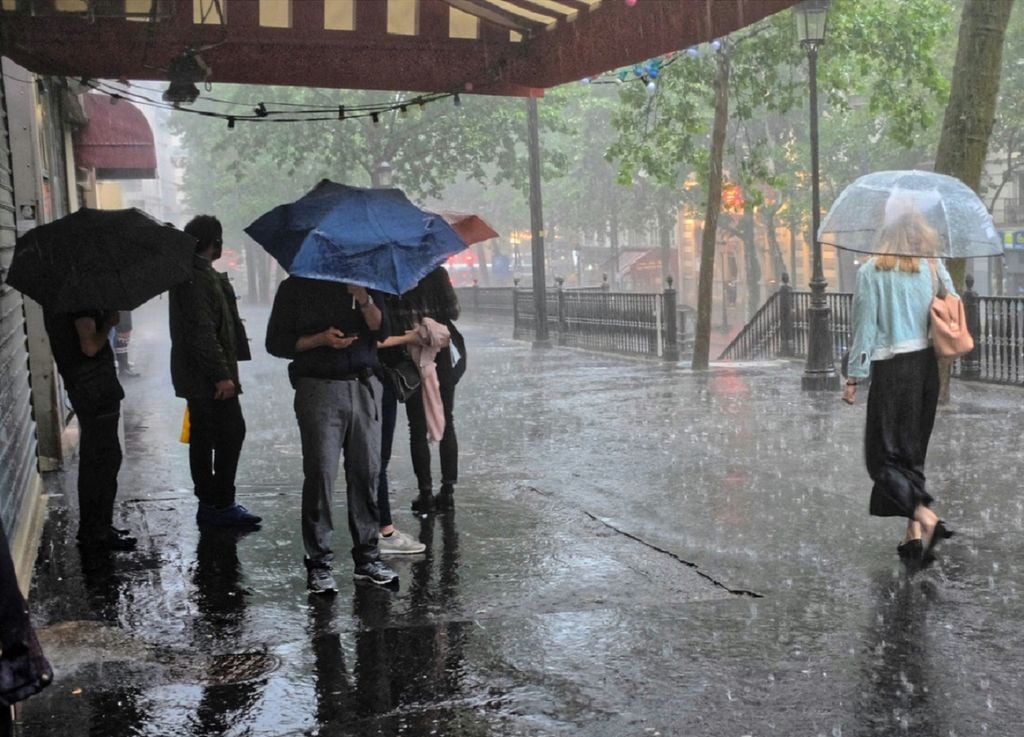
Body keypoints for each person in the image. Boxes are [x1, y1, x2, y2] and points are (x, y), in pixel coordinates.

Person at [266, 276, 398, 592]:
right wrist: (320, 340)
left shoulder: (364, 281)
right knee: (320, 475)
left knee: (367, 472)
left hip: (364, 385)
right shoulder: (295, 287)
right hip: (318, 387)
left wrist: (364, 298)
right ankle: (319, 562)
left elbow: (383, 331)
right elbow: (277, 343)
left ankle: (367, 558)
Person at [842, 208, 956, 563]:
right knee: (911, 453)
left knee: (882, 458)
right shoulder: (932, 265)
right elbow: (952, 302)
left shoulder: (872, 271)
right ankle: (913, 535)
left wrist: (854, 376)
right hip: (925, 368)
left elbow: (865, 329)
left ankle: (927, 519)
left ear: (885, 234)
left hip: (892, 370)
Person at [169, 215, 261, 528]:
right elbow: (202, 332)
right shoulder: (195, 279)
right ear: (212, 242)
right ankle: (216, 502)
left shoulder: (202, 274)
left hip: (207, 376)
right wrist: (222, 376)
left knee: (214, 435)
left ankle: (216, 501)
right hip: (207, 379)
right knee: (222, 434)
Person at [44, 305, 135, 551]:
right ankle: (97, 531)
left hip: (86, 388)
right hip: (95, 390)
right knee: (103, 460)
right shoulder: (80, 302)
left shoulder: (61, 303)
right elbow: (90, 346)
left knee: (97, 459)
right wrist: (109, 323)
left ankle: (97, 526)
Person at [399, 267, 466, 514]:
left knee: (416, 425)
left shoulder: (396, 277)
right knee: (447, 419)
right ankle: (447, 492)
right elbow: (453, 312)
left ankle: (425, 492)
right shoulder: (436, 273)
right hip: (443, 354)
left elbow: (392, 323)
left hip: (410, 355)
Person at [374, 299, 427, 556]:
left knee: (376, 459)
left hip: (382, 379)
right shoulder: (364, 293)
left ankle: (381, 528)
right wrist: (410, 337)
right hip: (375, 379)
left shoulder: (375, 292)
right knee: (376, 459)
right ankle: (383, 530)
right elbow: (370, 341)